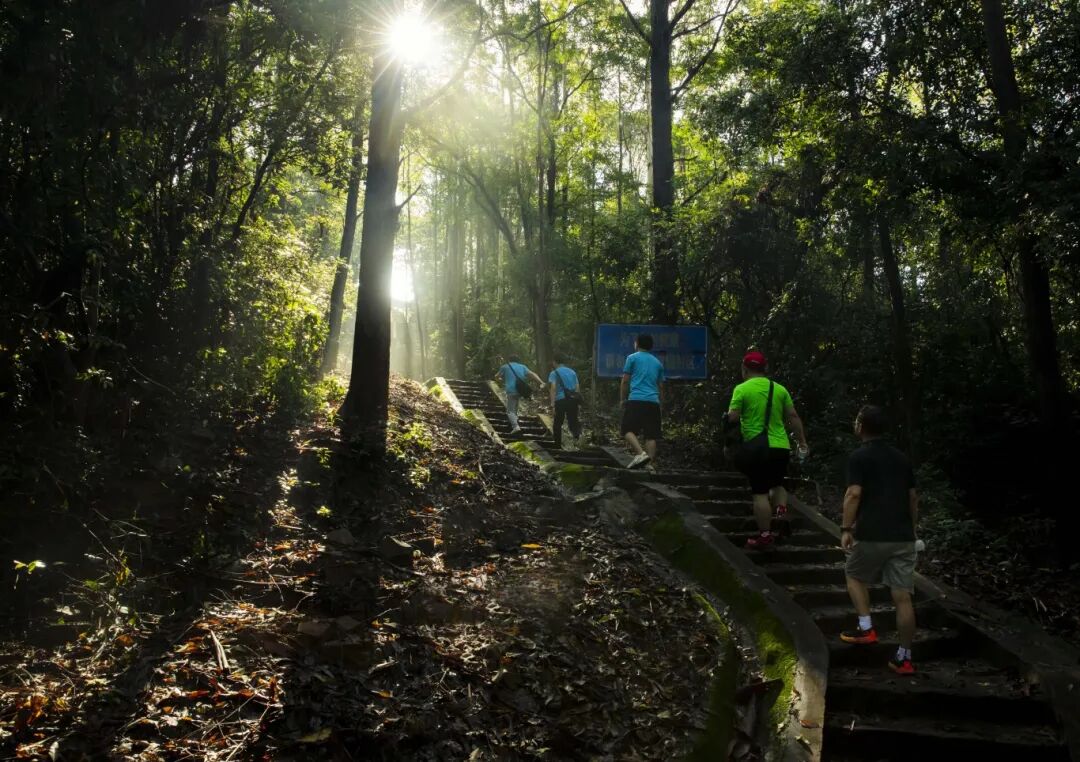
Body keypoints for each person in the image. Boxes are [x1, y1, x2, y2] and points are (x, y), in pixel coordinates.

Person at [839, 404, 919, 675]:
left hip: (872, 533)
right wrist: (912, 529)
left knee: (854, 575)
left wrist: (846, 528)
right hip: (903, 536)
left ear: (861, 427)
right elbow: (912, 498)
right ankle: (904, 657)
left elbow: (854, 494)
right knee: (903, 597)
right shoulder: (901, 458)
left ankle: (866, 627)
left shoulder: (859, 457)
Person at [724, 350, 808, 550]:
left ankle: (765, 535)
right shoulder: (779, 389)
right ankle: (779, 515)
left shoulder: (742, 389)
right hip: (780, 447)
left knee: (760, 492)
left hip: (757, 447)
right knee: (778, 484)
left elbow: (733, 417)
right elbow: (793, 417)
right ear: (765, 369)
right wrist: (802, 442)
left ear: (744, 369)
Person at [620, 334, 665, 470]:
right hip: (653, 402)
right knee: (651, 435)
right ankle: (650, 465)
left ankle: (640, 454)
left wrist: (623, 399)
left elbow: (625, 381)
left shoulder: (632, 358)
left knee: (627, 429)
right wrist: (660, 403)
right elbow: (661, 386)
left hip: (636, 400)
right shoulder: (657, 363)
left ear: (637, 343)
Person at [495, 354, 545, 435]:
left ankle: (515, 426)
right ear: (518, 360)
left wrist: (500, 379)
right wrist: (541, 382)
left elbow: (497, 376)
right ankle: (515, 422)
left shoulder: (505, 366)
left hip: (511, 390)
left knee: (509, 411)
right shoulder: (523, 367)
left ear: (510, 360)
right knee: (515, 408)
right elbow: (532, 374)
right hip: (520, 391)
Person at [548, 354, 582, 449]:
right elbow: (577, 388)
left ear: (555, 362)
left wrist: (552, 404)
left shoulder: (554, 373)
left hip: (561, 400)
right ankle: (577, 441)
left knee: (558, 422)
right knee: (573, 421)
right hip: (573, 400)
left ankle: (557, 445)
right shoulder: (572, 372)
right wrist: (578, 402)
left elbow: (553, 388)